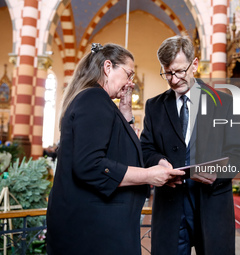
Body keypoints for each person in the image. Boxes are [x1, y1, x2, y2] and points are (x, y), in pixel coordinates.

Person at [46, 43, 185, 255]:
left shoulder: (97, 101)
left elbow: (119, 151)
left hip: (99, 228)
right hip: (93, 233)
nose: (131, 82)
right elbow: (90, 166)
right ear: (108, 67)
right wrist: (149, 175)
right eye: (128, 74)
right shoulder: (94, 99)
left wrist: (126, 112)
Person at [140, 35, 240, 254]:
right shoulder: (154, 106)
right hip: (170, 207)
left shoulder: (223, 103)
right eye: (167, 73)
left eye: (179, 71)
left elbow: (238, 152)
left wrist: (217, 173)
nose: (173, 79)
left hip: (212, 204)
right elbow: (146, 148)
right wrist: (159, 162)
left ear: (195, 65)